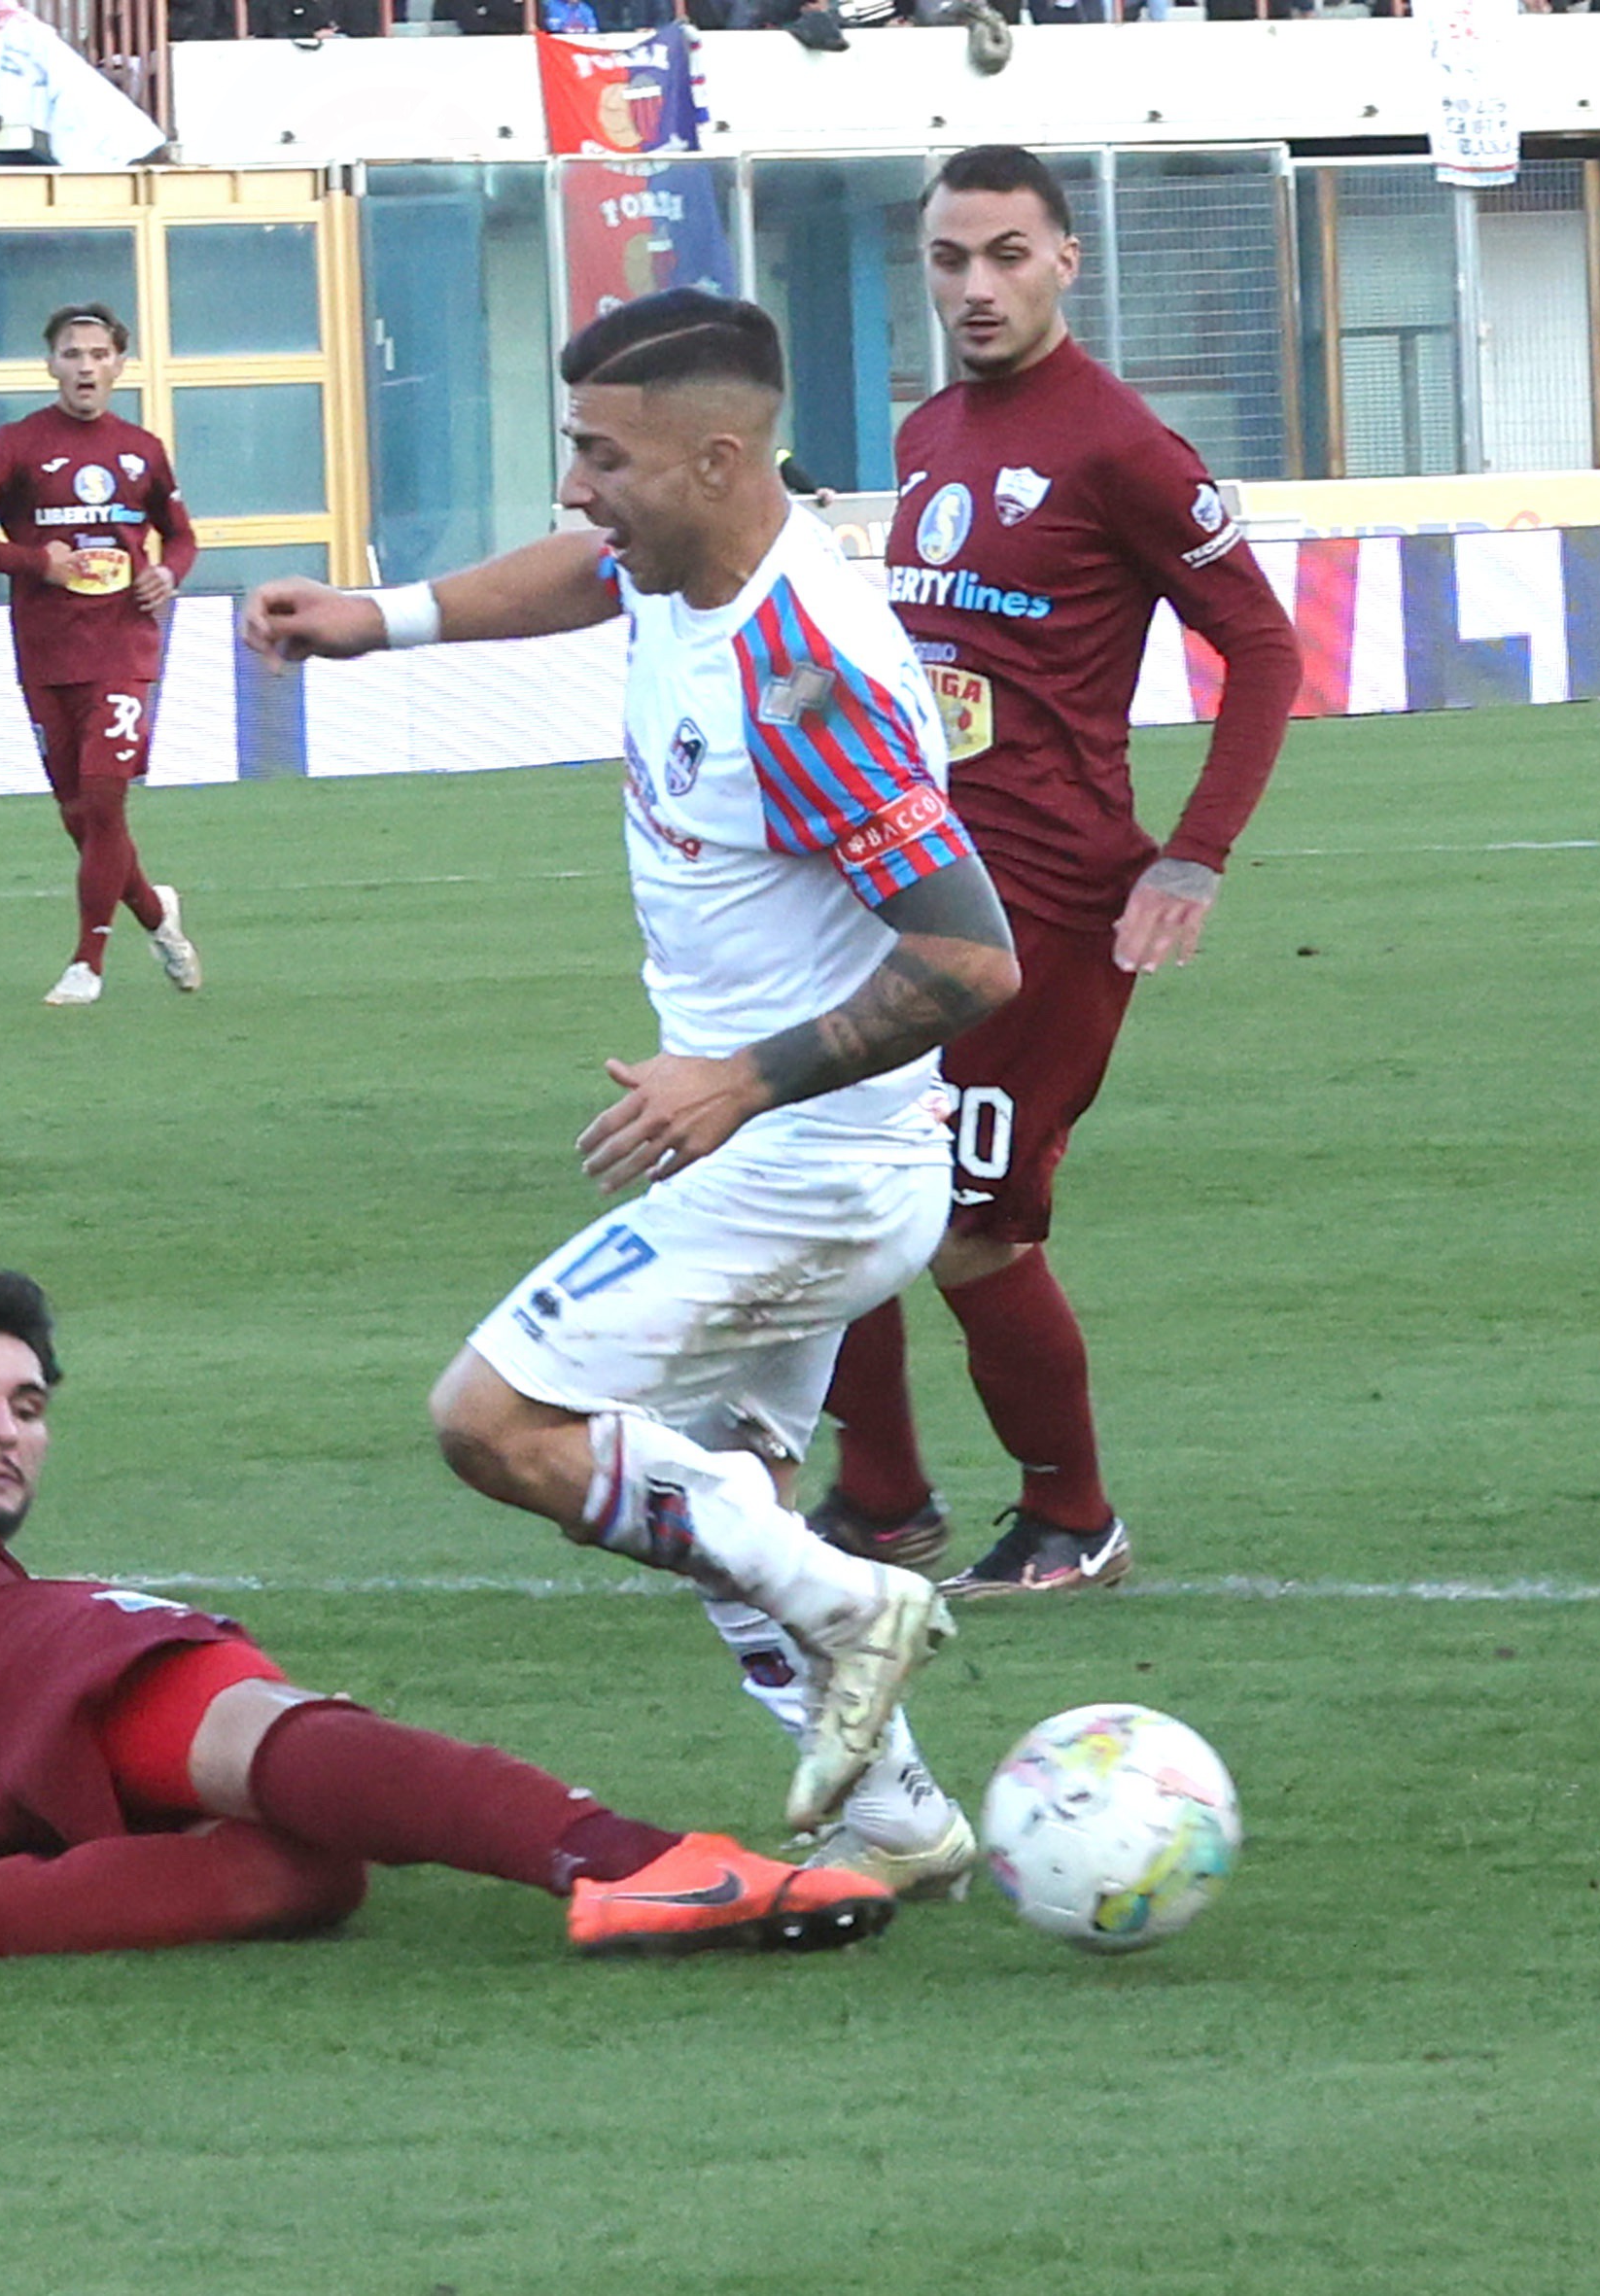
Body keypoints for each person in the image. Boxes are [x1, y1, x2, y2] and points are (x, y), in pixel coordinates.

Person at [0, 828, 897, 1978]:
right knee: (248, 1717)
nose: (2, 1427)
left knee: (303, 1868)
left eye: (25, 1405)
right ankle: (632, 1860)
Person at [240, 289, 1021, 1896]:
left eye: (601, 457)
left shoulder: (802, 678)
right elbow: (578, 570)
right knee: (716, 1506)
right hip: (771, 1148)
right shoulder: (677, 560)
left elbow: (972, 959)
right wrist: (379, 619)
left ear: (717, 460)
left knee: (493, 1419)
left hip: (807, 1165)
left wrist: (737, 1077)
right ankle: (898, 1818)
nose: (574, 487)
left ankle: (859, 1600)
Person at [809, 145, 1301, 1616]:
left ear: (1064, 262)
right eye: (949, 257)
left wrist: (1194, 852)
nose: (975, 285)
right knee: (833, 1189)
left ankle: (1070, 1516)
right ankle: (882, 1499)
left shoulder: (1121, 446)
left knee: (974, 1229)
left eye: (1006, 254)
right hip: (909, 883)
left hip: (1044, 907)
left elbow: (1263, 645)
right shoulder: (928, 432)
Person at [0, 302, 205, 1007]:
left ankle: (88, 962)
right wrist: (35, 562)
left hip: (123, 647)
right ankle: (157, 915)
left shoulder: (141, 450)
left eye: (98, 354)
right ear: (50, 364)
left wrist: (168, 573)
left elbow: (180, 536)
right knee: (80, 814)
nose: (86, 367)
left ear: (119, 364)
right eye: (72, 354)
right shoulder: (19, 445)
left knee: (106, 796)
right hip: (47, 652)